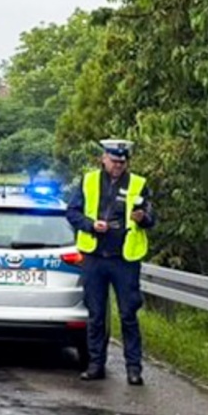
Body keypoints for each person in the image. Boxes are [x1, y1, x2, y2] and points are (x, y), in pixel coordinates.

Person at [65, 139, 157, 386]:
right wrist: (90, 225)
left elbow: (151, 218)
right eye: (114, 161)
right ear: (104, 159)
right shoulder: (88, 181)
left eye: (122, 162)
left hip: (124, 260)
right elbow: (72, 212)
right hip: (94, 256)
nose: (118, 166)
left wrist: (142, 218)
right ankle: (96, 365)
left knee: (128, 315)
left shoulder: (138, 183)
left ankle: (134, 369)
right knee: (96, 315)